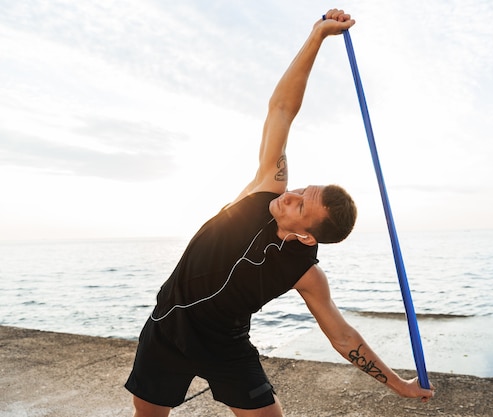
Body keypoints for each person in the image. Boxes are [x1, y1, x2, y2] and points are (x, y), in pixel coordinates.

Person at [125, 8, 435, 417]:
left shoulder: (304, 272)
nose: (289, 196)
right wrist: (318, 35)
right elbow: (281, 110)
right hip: (167, 329)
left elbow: (342, 336)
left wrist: (400, 385)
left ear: (307, 236)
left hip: (225, 344)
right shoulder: (265, 188)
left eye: (300, 204)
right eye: (302, 190)